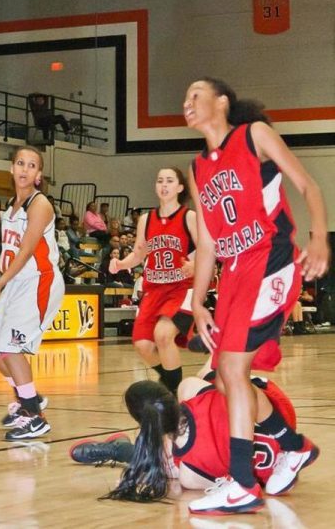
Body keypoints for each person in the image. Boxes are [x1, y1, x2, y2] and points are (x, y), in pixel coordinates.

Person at [183, 76, 329, 515]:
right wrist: (196, 301)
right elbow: (207, 244)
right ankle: (293, 445)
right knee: (229, 377)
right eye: (185, 98)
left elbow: (309, 187)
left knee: (231, 366)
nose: (186, 103)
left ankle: (242, 484)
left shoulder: (254, 136)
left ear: (222, 101)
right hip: (234, 273)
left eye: (195, 95)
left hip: (271, 258)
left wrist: (320, 237)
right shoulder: (196, 167)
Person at [69, 375, 319, 505]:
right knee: (210, 379)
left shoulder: (189, 472)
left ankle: (123, 450)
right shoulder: (189, 389)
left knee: (166, 467)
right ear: (168, 396)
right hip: (280, 411)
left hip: (265, 467)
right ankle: (129, 449)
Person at [0, 146, 64, 441]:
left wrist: (1, 281)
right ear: (11, 168)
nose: (25, 169)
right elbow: (9, 253)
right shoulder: (10, 208)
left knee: (11, 347)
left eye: (31, 165)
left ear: (39, 176)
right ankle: (28, 398)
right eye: (20, 163)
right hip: (16, 280)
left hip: (38, 281)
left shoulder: (39, 204)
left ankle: (34, 416)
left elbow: (28, 250)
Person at [109, 167, 197, 394]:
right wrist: (121, 264)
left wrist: (194, 266)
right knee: (142, 344)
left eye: (169, 181)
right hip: (154, 289)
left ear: (179, 188)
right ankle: (169, 380)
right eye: (160, 181)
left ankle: (172, 391)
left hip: (182, 288)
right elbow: (139, 254)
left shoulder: (189, 217)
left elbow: (208, 250)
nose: (164, 185)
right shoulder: (146, 220)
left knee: (163, 335)